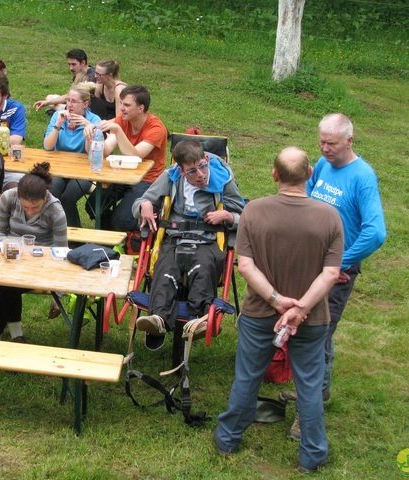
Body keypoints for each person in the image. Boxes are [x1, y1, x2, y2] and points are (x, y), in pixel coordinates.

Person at [214, 147, 344, 474]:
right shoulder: (330, 216)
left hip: (260, 313)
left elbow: (245, 266)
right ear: (310, 174)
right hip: (311, 318)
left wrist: (276, 300)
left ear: (274, 175)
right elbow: (330, 273)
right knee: (309, 386)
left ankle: (228, 439)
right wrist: (300, 308)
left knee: (247, 377)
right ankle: (312, 455)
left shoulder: (254, 211)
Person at [281, 113, 387, 439]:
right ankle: (318, 392)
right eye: (322, 142)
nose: (325, 149)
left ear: (350, 141)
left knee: (317, 337)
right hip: (312, 264)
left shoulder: (362, 177)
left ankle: (307, 413)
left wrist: (340, 262)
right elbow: (307, 193)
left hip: (336, 272)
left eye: (332, 143)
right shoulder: (324, 165)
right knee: (313, 335)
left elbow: (376, 232)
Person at [132, 139, 244, 350]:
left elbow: (244, 214)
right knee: (166, 267)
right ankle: (158, 319)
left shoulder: (222, 178)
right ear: (181, 171)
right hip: (174, 237)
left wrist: (228, 215)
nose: (200, 174)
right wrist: (144, 205)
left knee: (203, 267)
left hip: (208, 240)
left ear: (207, 159)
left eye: (202, 166)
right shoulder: (171, 177)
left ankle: (199, 318)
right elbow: (140, 203)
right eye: (192, 171)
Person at [0, 163, 68, 342]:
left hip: (40, 264)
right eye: (25, 207)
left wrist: (59, 293)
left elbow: (61, 252)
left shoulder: (56, 211)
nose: (29, 211)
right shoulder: (9, 197)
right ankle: (15, 335)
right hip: (11, 257)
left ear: (45, 196)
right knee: (3, 282)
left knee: (1, 284)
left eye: (35, 207)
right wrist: (6, 244)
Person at [84, 85, 168, 232]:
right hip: (125, 175)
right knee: (93, 206)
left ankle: (128, 233)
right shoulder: (122, 121)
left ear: (141, 108)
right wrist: (90, 137)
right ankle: (111, 236)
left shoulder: (156, 128)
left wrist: (117, 129)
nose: (121, 108)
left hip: (148, 180)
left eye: (127, 105)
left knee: (121, 220)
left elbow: (135, 156)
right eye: (121, 103)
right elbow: (105, 151)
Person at [45, 82, 101, 228]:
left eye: (74, 101)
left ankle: (75, 238)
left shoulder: (94, 120)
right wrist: (58, 125)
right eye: (68, 100)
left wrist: (88, 127)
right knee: (53, 192)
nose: (69, 105)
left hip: (83, 170)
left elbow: (92, 153)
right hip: (60, 167)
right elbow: (48, 146)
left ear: (85, 103)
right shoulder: (59, 115)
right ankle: (55, 231)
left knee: (68, 198)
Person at [33, 49, 97, 113]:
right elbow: (69, 95)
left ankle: (61, 110)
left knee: (55, 104)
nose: (71, 68)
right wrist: (46, 103)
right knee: (49, 97)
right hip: (74, 101)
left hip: (85, 107)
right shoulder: (78, 73)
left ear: (83, 62)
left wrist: (48, 103)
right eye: (69, 64)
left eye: (73, 64)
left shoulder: (92, 77)